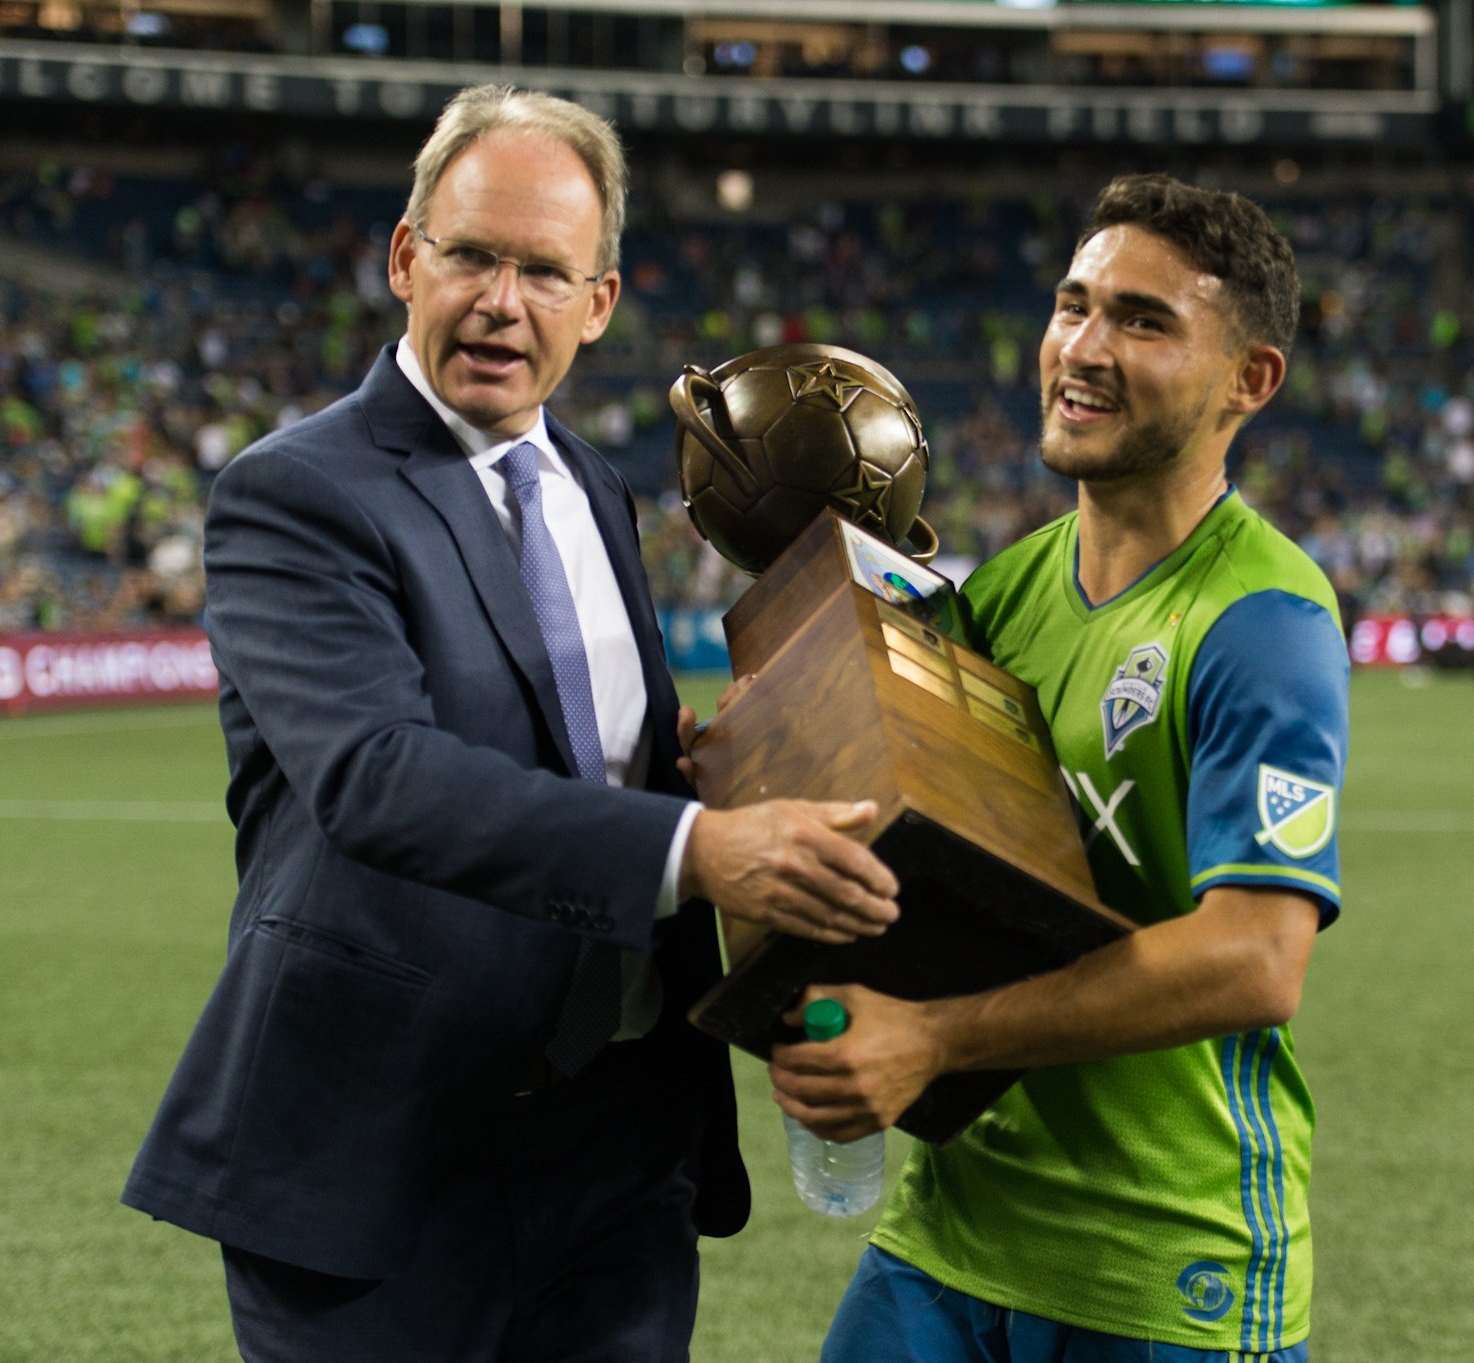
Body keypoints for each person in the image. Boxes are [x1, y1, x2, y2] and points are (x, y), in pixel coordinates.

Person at [121, 85, 902, 1363]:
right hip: (385, 1152)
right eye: (471, 255)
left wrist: (719, 767)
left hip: (618, 1158)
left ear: (597, 302)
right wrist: (696, 848)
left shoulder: (592, 486)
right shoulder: (295, 494)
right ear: (403, 259)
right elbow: (376, 775)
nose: (501, 301)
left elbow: (586, 755)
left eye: (544, 271)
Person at [772, 175, 1348, 1362]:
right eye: (1072, 304)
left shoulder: (1260, 620)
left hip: (1160, 1266)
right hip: (950, 1234)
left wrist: (934, 1040)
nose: (1081, 348)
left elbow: (1254, 957)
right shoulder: (1001, 594)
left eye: (1142, 320)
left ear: (1249, 379)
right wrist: (763, 749)